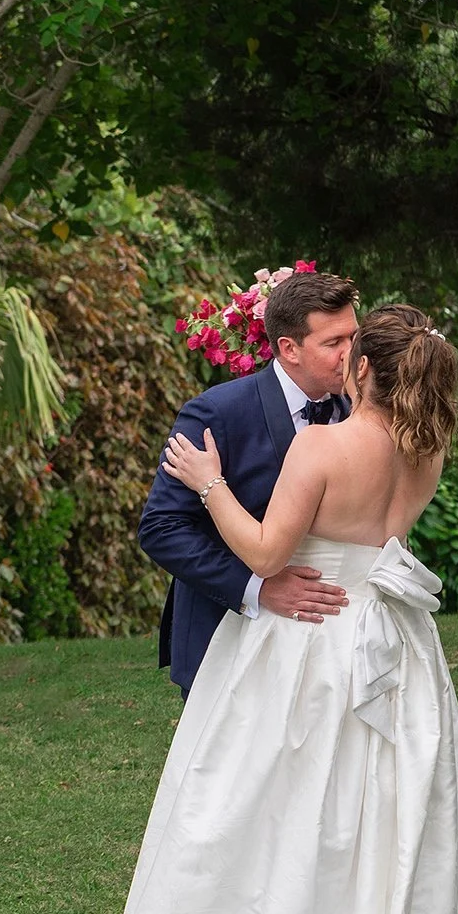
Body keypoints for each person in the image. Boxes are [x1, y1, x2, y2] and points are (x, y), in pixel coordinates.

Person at [77, 303, 458, 914]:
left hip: (308, 645)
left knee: (269, 816)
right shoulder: (427, 448)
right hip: (396, 654)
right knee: (381, 820)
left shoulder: (322, 445)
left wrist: (209, 486)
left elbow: (270, 555)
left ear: (363, 371)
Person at [137, 272, 360, 697]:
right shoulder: (215, 414)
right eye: (334, 344)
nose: (350, 355)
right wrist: (258, 589)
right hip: (228, 630)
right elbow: (161, 529)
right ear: (288, 349)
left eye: (353, 337)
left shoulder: (358, 411)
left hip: (330, 642)